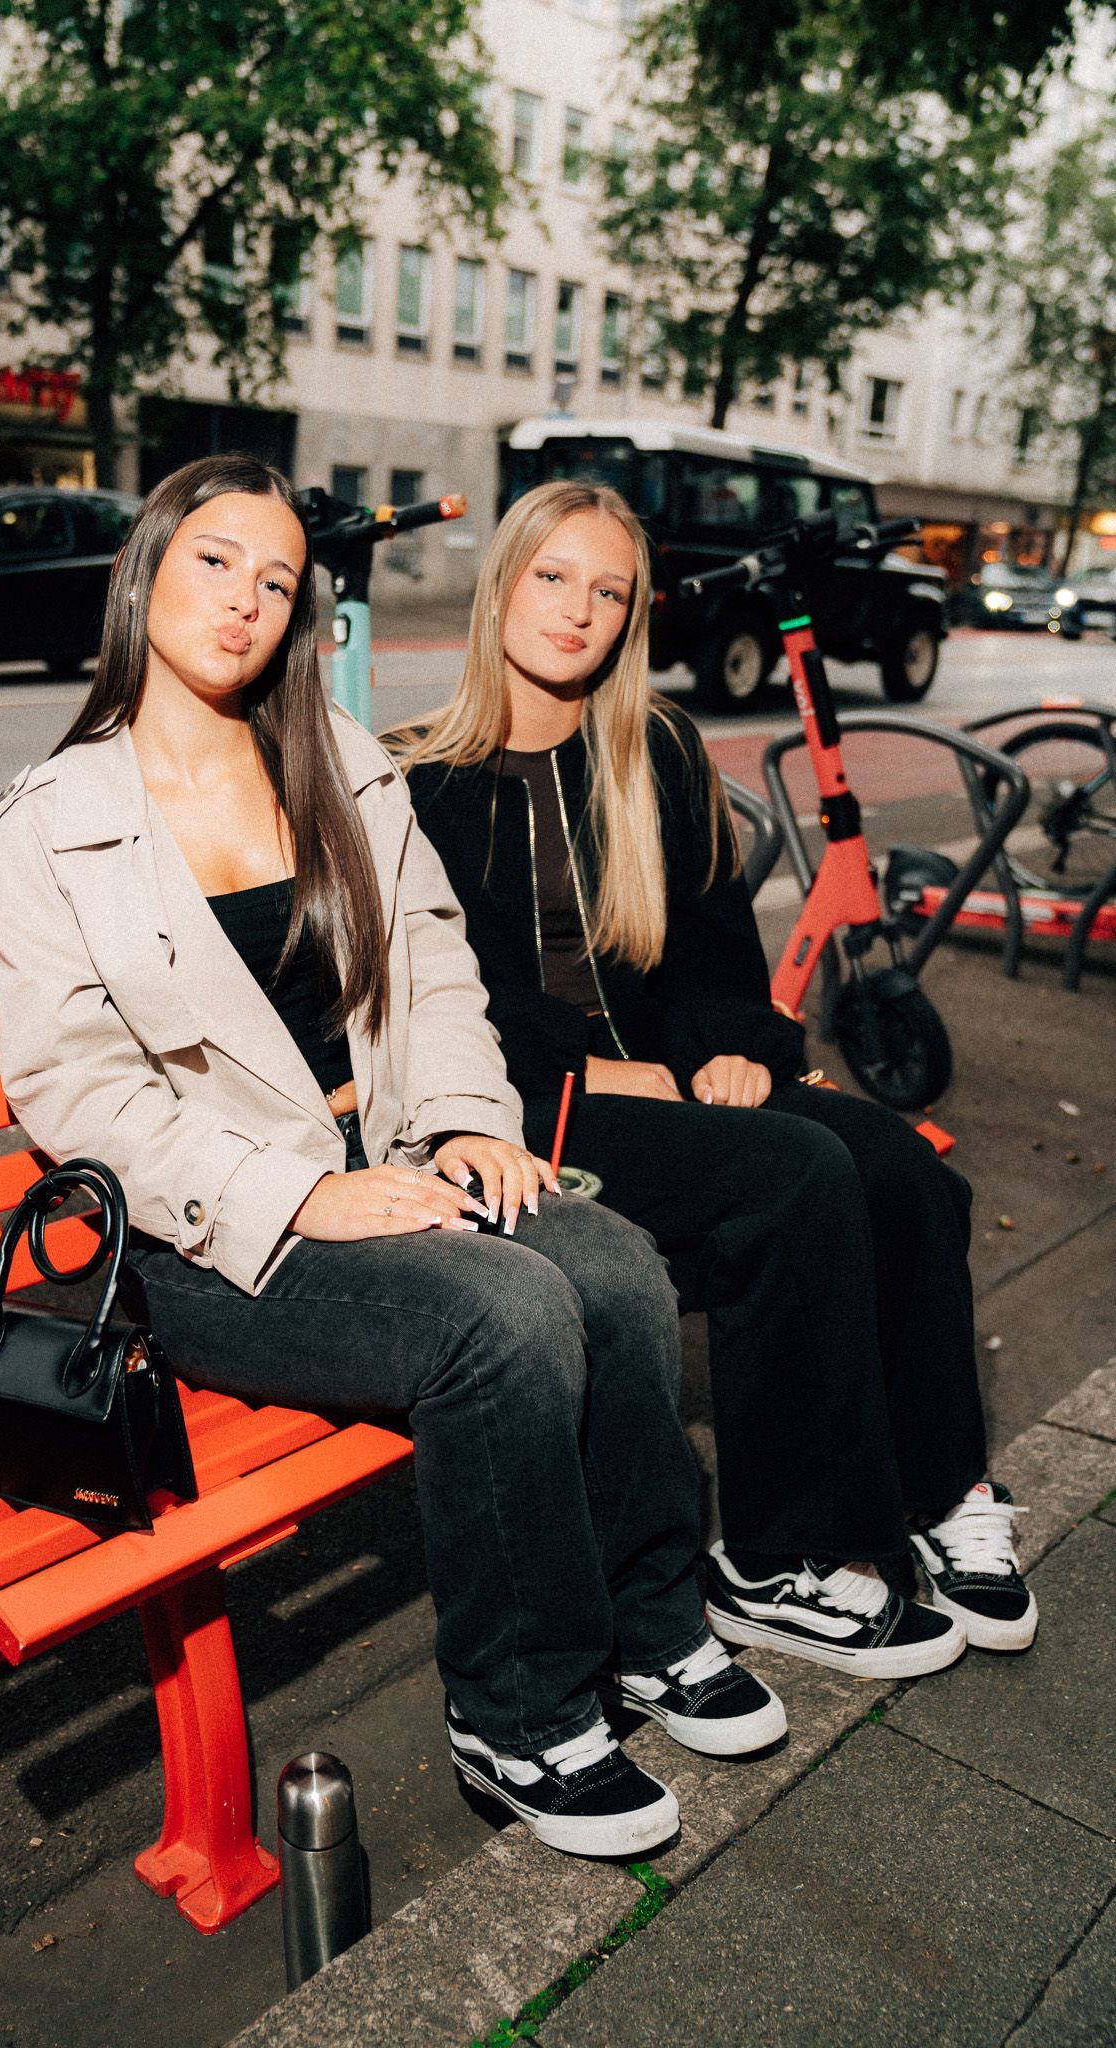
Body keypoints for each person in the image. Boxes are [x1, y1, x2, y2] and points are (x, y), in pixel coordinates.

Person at [0, 454, 790, 1867]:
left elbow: (427, 962)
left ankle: (655, 1624)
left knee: (609, 1264)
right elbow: (76, 1093)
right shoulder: (51, 823)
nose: (242, 602)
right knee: (504, 1316)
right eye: (216, 561)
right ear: (146, 568)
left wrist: (472, 1119)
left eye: (276, 581)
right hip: (212, 1240)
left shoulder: (336, 764)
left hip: (396, 1162)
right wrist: (306, 1194)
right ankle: (517, 1708)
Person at [395, 479, 1036, 1675]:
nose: (577, 611)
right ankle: (779, 1558)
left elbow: (708, 947)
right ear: (501, 585)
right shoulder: (413, 779)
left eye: (608, 591)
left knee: (898, 1166)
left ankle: (940, 1488)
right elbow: (440, 1004)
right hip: (511, 1107)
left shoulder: (656, 751)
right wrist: (600, 1074)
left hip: (663, 1077)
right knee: (791, 1177)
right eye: (552, 577)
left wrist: (728, 1041)